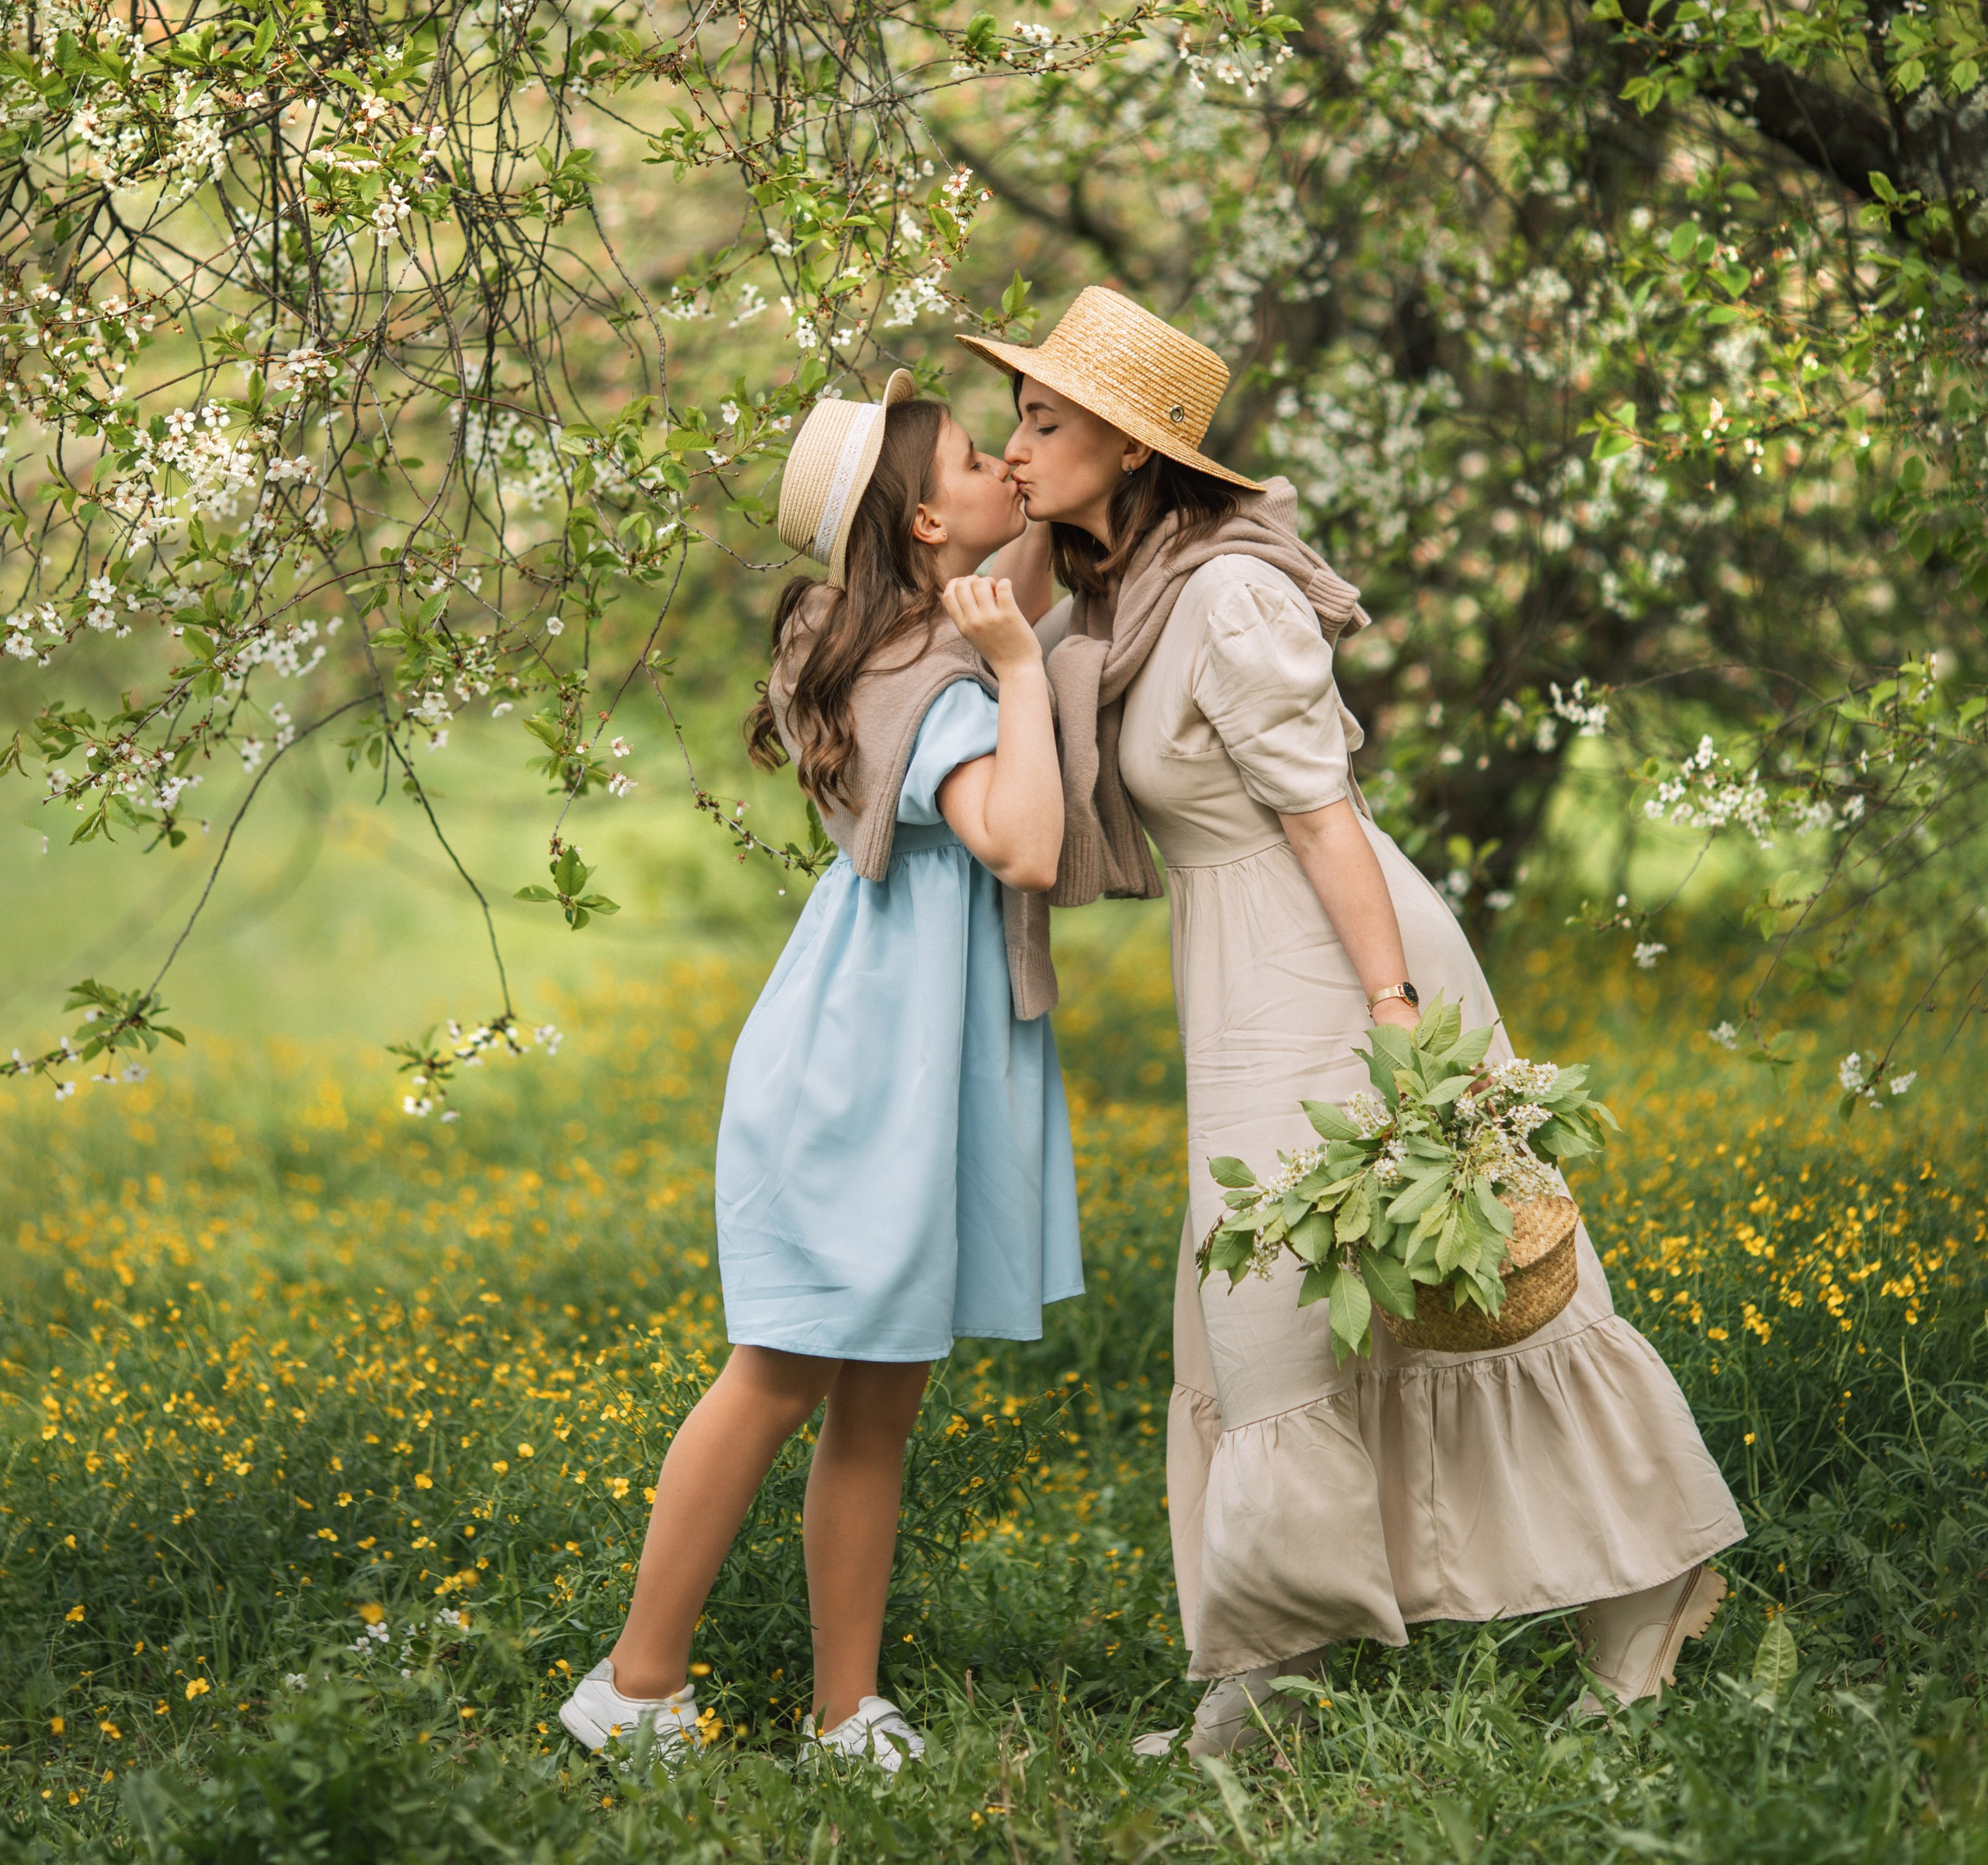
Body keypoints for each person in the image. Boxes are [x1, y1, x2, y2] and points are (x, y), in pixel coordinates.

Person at [961, 287, 1743, 1755]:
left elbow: (1326, 819)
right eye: (1017, 418)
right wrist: (1021, 501)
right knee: (1270, 1314)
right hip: (1243, 962)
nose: (1016, 444)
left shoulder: (1231, 594)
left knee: (1422, 1304)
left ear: (1132, 451)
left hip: (1336, 954)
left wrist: (1396, 1012)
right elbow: (990, 630)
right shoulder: (1116, 600)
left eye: (1045, 420)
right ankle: (1282, 1662)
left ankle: (1628, 1593)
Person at [560, 372, 1080, 1770]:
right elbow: (1026, 846)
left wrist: (1067, 463)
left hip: (879, 1042)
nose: (1009, 472)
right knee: (782, 1371)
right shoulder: (940, 682)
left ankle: (846, 1709)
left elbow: (1034, 533)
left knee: (879, 1396)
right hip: (869, 1072)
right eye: (984, 457)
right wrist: (1024, 670)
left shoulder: (872, 633)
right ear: (924, 520)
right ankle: (633, 1685)